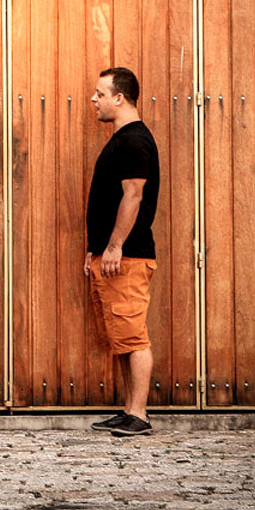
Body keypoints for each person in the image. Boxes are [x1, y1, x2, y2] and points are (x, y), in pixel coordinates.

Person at [84, 67, 160, 437]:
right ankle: (129, 409)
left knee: (134, 335)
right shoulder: (122, 139)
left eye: (100, 94)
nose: (94, 100)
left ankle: (140, 415)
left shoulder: (134, 141)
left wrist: (114, 246)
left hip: (127, 256)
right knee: (122, 336)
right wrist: (95, 249)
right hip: (111, 255)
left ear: (120, 97)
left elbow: (133, 195)